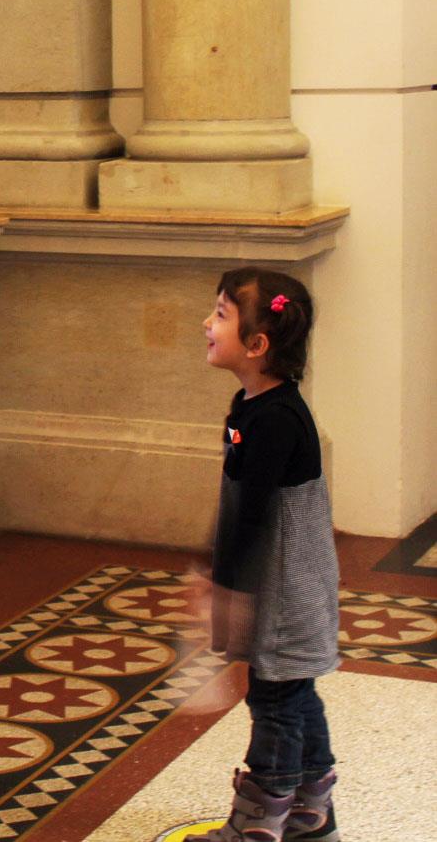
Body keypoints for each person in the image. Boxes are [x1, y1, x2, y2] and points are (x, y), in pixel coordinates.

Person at [191, 268, 340, 842]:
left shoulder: (277, 420)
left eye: (222, 315)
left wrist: (223, 582)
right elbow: (238, 500)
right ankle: (310, 810)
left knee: (275, 698)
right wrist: (212, 562)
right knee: (294, 691)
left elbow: (253, 515)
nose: (207, 324)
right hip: (277, 583)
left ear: (257, 346)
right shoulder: (252, 405)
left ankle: (260, 820)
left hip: (283, 590)